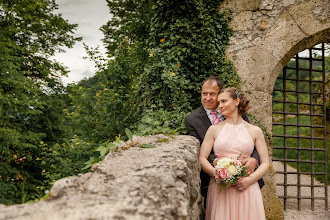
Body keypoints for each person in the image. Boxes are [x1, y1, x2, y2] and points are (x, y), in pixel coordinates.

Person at [185, 76, 263, 202]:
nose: (207, 98)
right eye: (204, 93)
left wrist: (254, 159)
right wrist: (223, 166)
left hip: (246, 179)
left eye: (212, 94)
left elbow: (251, 140)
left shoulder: (235, 112)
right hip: (216, 181)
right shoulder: (192, 119)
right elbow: (199, 149)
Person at [199, 87, 269, 220]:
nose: (220, 106)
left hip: (246, 187)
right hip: (220, 188)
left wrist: (249, 180)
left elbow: (265, 162)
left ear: (236, 102)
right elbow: (202, 158)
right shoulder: (213, 130)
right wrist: (218, 174)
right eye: (219, 103)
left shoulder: (255, 131)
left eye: (224, 101)